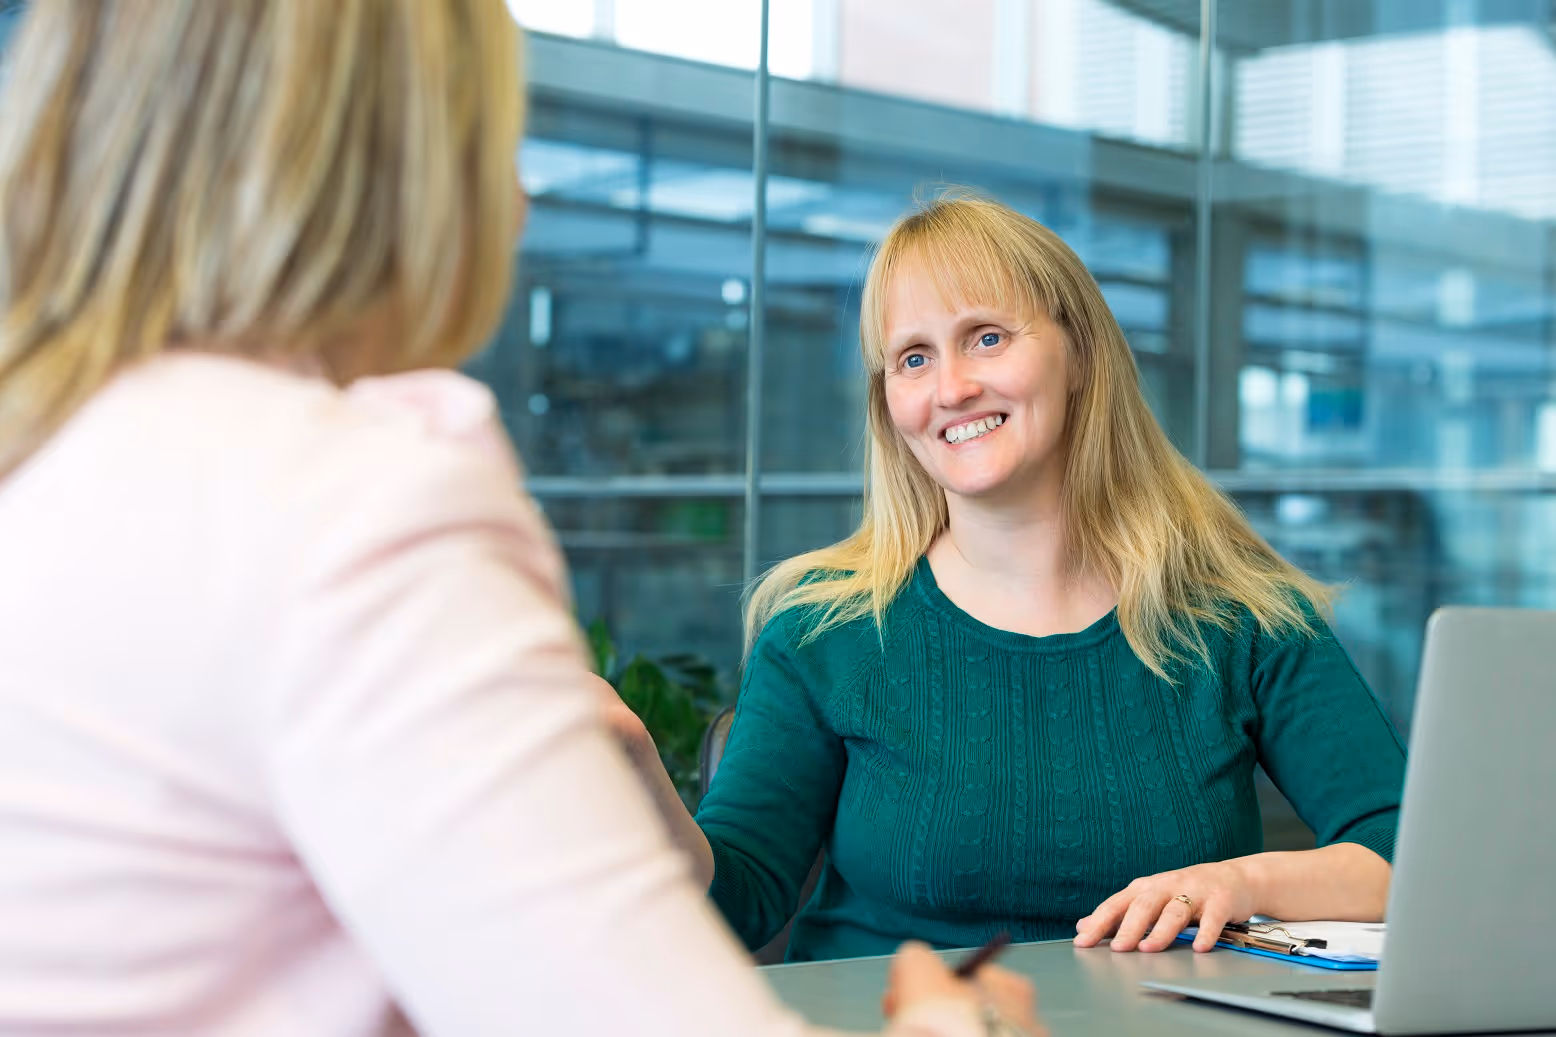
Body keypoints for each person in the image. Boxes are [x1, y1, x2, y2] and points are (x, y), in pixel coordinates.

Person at [0, 4, 1042, 1035]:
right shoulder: (355, 507)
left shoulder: (53, 459)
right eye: (491, 137)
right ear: (402, 167)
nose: (523, 198)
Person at [610, 192, 1406, 963]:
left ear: (1081, 355)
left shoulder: (1240, 616)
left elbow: (1407, 854)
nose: (951, 388)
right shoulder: (824, 633)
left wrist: (1244, 881)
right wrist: (640, 772)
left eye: (987, 337)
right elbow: (735, 905)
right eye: (913, 357)